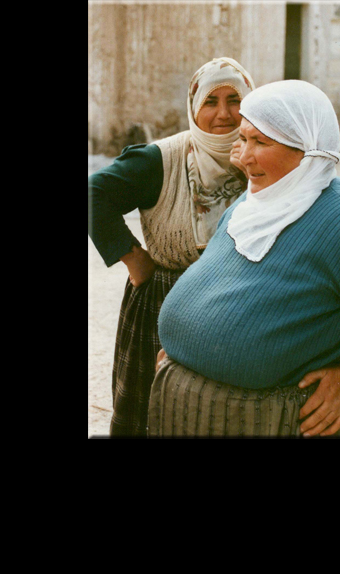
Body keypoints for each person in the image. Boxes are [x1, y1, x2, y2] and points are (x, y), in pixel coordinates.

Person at [149, 80, 340, 437]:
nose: (244, 156)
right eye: (244, 138)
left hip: (276, 423)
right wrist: (182, 351)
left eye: (261, 142)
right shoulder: (262, 200)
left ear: (307, 150)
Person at [88, 58, 255, 437]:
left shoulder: (262, 154)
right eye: (211, 101)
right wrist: (134, 258)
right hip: (166, 303)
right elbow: (94, 193)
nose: (225, 114)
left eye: (235, 99)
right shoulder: (159, 160)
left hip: (241, 306)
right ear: (194, 106)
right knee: (154, 415)